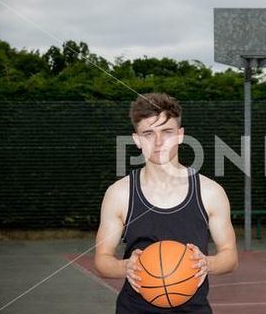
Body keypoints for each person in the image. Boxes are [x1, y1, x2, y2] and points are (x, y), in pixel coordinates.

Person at [94, 93, 238, 313]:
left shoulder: (210, 192)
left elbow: (230, 256)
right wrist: (126, 266)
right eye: (149, 133)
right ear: (137, 140)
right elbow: (102, 260)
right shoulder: (119, 194)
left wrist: (207, 263)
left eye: (167, 132)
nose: (158, 142)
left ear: (180, 135)